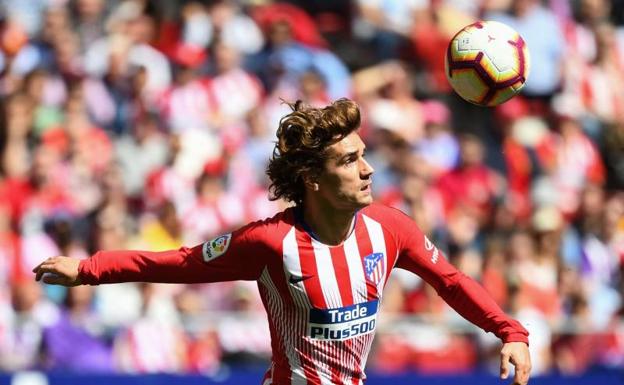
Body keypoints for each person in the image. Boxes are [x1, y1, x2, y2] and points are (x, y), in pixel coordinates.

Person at [33, 99, 531, 385]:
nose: (368, 168)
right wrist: (90, 268)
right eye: (349, 161)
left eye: (364, 154)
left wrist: (510, 332)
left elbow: (450, 279)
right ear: (313, 178)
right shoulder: (272, 242)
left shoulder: (390, 227)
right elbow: (180, 263)